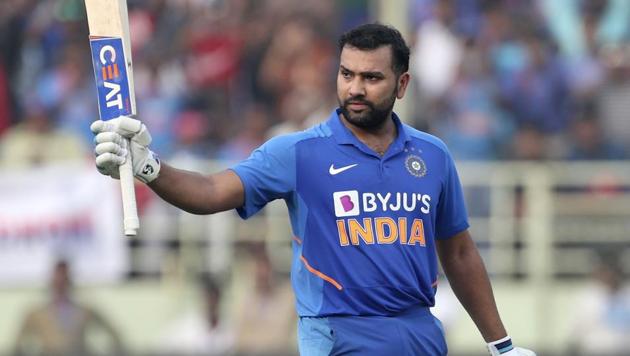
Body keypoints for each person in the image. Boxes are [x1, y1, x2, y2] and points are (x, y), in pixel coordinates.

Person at [91, 23, 535, 356]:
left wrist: (503, 346)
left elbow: (458, 253)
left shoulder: (433, 156)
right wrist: (148, 167)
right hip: (338, 335)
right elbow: (210, 192)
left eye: (371, 78)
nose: (355, 88)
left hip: (419, 333)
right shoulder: (299, 152)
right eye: (347, 74)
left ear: (402, 84)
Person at [13, 260, 125, 356]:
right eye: (58, 279)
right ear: (52, 281)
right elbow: (18, 344)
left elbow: (114, 334)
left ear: (69, 280)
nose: (61, 283)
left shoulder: (85, 311)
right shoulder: (36, 313)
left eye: (64, 279)